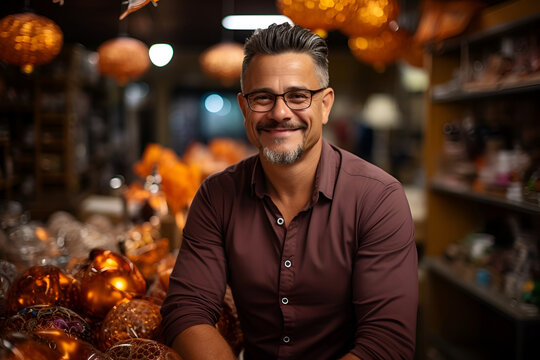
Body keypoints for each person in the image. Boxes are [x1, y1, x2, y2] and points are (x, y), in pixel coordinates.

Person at [161, 23, 418, 360]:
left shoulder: (378, 198)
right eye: (262, 97)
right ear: (244, 108)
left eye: (298, 96)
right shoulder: (216, 195)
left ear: (325, 105)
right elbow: (186, 310)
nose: (280, 113)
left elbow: (387, 343)